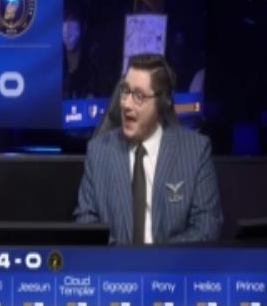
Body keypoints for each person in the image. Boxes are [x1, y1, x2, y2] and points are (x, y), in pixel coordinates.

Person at [74, 53, 222, 244]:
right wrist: (124, 258)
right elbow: (86, 221)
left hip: (172, 263)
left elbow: (207, 227)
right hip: (115, 262)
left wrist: (155, 257)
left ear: (162, 103)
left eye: (139, 96)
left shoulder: (196, 151)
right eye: (125, 91)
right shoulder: (98, 151)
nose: (126, 104)